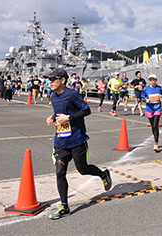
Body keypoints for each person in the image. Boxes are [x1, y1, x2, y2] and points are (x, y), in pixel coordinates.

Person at [45, 68, 112, 220]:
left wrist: (69, 117)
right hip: (61, 140)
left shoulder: (72, 94)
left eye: (53, 79)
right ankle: (64, 206)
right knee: (60, 172)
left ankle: (103, 174)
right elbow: (58, 113)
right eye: (49, 79)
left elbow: (86, 110)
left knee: (82, 169)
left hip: (77, 139)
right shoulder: (53, 96)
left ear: (63, 80)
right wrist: (51, 118)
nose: (50, 82)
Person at [141, 74, 162, 152]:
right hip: (149, 109)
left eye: (153, 80)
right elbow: (142, 97)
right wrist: (145, 100)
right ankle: (155, 136)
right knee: (153, 126)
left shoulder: (159, 88)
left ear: (156, 80)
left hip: (157, 109)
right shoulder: (146, 89)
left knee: (155, 125)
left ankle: (156, 142)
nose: (152, 81)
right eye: (151, 80)